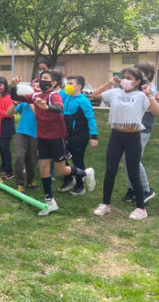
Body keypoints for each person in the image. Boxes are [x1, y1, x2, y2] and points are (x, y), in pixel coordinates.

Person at [11, 70, 96, 216]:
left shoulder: (54, 95)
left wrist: (46, 107)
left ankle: (86, 173)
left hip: (57, 139)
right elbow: (15, 97)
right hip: (42, 138)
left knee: (62, 170)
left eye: (45, 78)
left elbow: (59, 108)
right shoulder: (36, 95)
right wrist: (13, 86)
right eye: (41, 77)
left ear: (54, 83)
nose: (41, 80)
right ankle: (50, 203)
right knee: (43, 168)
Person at [91, 68, 159, 220]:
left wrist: (149, 94)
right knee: (110, 170)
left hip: (133, 137)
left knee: (133, 172)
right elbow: (94, 95)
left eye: (129, 78)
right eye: (123, 77)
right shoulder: (116, 93)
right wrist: (109, 83)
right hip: (116, 135)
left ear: (137, 81)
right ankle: (105, 204)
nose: (125, 80)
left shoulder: (141, 96)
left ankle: (141, 209)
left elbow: (158, 112)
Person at [121, 62, 159, 204]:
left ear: (147, 74)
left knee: (134, 159)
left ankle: (145, 190)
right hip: (130, 127)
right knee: (127, 159)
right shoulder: (135, 88)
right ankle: (133, 187)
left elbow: (152, 108)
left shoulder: (150, 89)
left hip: (142, 127)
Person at [59, 75, 99, 196]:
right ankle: (68, 180)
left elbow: (91, 118)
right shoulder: (65, 97)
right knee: (61, 157)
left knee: (77, 160)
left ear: (79, 86)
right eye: (67, 83)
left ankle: (80, 186)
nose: (67, 86)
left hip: (79, 136)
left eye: (71, 83)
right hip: (65, 134)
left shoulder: (83, 101)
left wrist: (94, 136)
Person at [6, 87, 38, 192]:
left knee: (32, 159)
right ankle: (20, 182)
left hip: (35, 135)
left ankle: (30, 180)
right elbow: (8, 113)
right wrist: (16, 103)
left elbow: (38, 115)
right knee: (19, 157)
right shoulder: (23, 104)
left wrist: (31, 102)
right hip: (21, 133)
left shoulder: (42, 103)